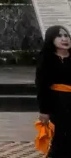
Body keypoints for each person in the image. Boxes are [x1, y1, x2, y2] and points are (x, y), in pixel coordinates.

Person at [38, 25, 71, 156]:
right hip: (58, 103)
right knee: (61, 137)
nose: (64, 39)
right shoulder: (47, 58)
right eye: (60, 36)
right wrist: (44, 111)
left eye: (66, 35)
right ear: (51, 39)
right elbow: (42, 86)